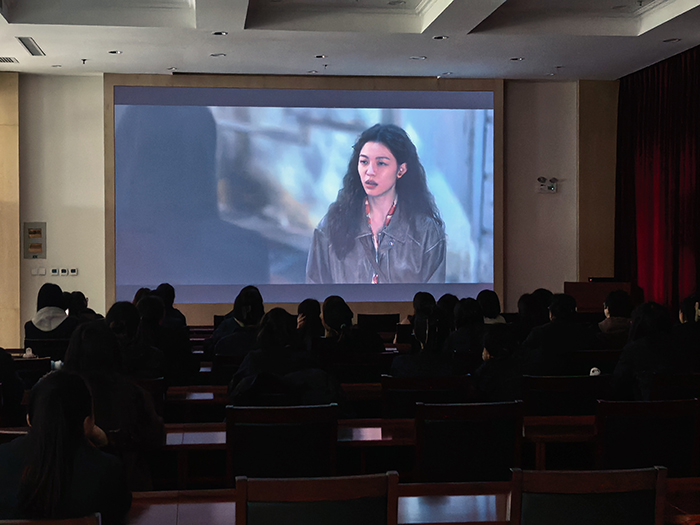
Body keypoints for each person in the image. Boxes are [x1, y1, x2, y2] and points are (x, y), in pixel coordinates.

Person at [306, 123, 446, 284]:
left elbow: (432, 296)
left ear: (401, 170)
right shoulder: (331, 226)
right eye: (364, 162)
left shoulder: (426, 232)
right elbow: (314, 290)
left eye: (381, 163)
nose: (370, 171)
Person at [0, 371, 131, 523]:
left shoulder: (3, 460)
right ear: (88, 421)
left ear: (29, 419)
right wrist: (105, 445)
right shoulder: (108, 470)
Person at [64, 321, 165, 491]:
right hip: (129, 486)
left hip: (68, 487)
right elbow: (155, 438)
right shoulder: (134, 394)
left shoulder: (59, 394)